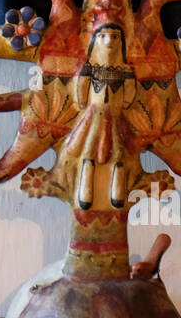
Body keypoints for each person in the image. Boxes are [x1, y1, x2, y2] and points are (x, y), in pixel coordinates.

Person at [58, 23, 136, 210]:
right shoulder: (90, 67)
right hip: (94, 117)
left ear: (121, 41)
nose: (109, 41)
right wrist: (82, 102)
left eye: (115, 37)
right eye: (103, 36)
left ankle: (117, 190)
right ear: (95, 40)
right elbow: (82, 89)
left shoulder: (124, 70)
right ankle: (86, 186)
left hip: (115, 118)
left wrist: (125, 104)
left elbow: (130, 94)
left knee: (118, 150)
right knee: (89, 148)